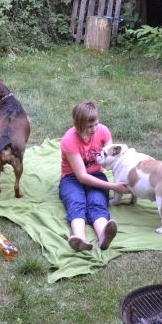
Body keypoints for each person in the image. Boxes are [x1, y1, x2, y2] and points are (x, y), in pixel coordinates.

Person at [59, 101, 129, 252]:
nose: (94, 129)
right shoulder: (69, 140)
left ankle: (104, 235)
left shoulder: (103, 131)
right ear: (78, 125)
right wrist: (114, 186)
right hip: (71, 177)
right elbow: (82, 176)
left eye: (96, 124)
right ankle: (80, 239)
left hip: (96, 174)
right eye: (89, 126)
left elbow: (112, 159)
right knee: (76, 201)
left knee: (97, 201)